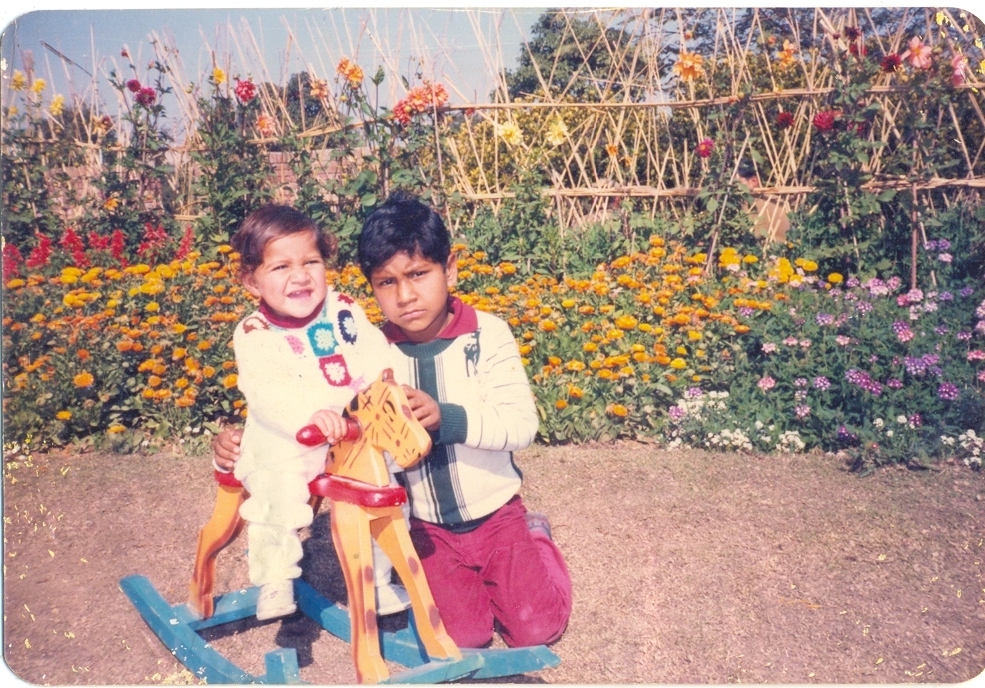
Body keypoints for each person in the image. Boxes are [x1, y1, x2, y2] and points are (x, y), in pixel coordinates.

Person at [214, 191, 572, 649]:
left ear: (450, 269)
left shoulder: (487, 335)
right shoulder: (372, 351)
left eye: (419, 274)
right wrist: (238, 442)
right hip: (425, 526)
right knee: (465, 636)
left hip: (496, 513)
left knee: (537, 629)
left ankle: (537, 539)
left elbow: (521, 426)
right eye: (386, 282)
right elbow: (295, 396)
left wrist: (447, 418)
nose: (406, 296)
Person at [223, 204, 409, 621]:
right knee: (276, 486)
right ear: (252, 281)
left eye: (311, 262)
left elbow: (374, 353)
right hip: (288, 437)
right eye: (281, 267)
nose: (301, 276)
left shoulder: (342, 310)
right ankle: (275, 576)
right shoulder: (255, 332)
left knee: (384, 482)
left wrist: (383, 387)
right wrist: (309, 416)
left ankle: (377, 579)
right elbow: (266, 393)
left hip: (349, 431)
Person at [736, 159, 790, 243]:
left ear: (753, 181)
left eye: (738, 183)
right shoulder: (780, 201)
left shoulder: (747, 204)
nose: (735, 188)